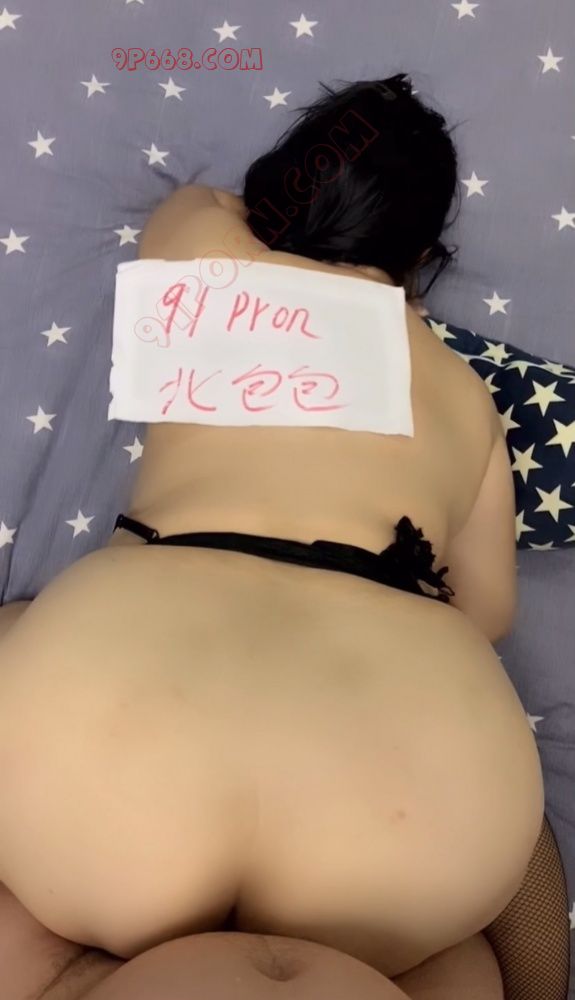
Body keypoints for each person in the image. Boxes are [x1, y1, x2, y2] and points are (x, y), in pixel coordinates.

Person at [0, 74, 569, 1000]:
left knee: (19, 634)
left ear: (274, 194)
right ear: (424, 255)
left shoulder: (202, 250)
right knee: (483, 911)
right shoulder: (465, 397)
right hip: (406, 842)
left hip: (104, 768)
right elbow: (487, 611)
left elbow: (210, 202)